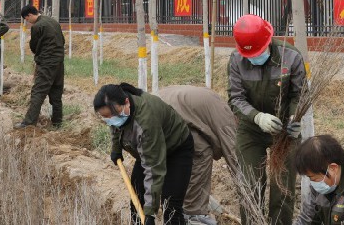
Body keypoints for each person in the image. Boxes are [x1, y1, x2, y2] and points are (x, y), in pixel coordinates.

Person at [227, 14, 305, 225]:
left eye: (259, 52)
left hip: (284, 129)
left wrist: (294, 119)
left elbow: (300, 95)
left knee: (282, 189)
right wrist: (257, 117)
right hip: (251, 128)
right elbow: (235, 98)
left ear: (268, 41)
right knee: (251, 186)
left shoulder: (291, 57)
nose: (254, 58)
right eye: (250, 55)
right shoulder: (236, 60)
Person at [94, 83, 194, 225]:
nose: (111, 120)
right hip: (149, 149)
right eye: (107, 118)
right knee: (137, 197)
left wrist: (150, 214)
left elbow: (153, 169)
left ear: (127, 103)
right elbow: (115, 126)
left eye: (113, 116)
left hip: (176, 148)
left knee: (171, 206)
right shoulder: (119, 110)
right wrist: (116, 147)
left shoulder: (145, 122)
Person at [158, 85, 240, 225]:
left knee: (198, 147)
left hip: (162, 107)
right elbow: (234, 154)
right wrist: (247, 189)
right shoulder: (225, 115)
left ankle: (185, 208)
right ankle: (193, 214)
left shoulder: (213, 101)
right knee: (201, 153)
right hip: (166, 114)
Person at [16, 4, 65, 129]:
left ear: (30, 15)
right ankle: (57, 122)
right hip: (59, 62)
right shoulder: (53, 22)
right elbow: (62, 40)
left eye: (27, 19)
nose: (28, 22)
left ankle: (29, 123)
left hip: (46, 63)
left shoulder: (37, 26)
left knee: (38, 92)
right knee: (56, 93)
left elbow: (34, 46)